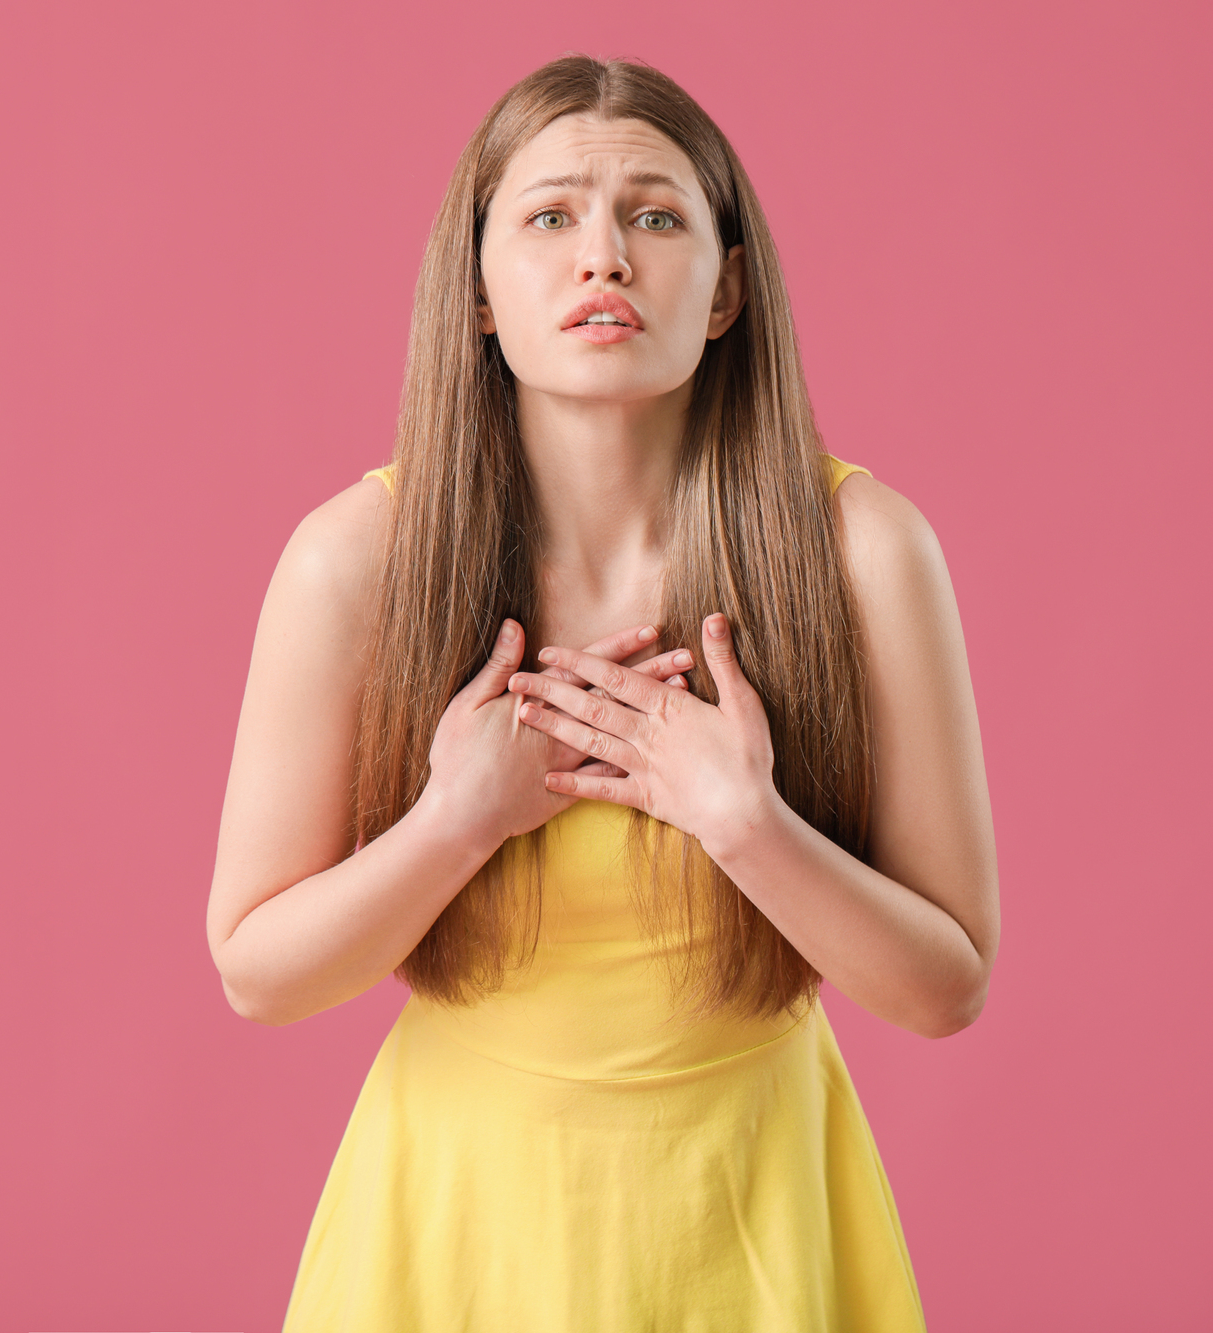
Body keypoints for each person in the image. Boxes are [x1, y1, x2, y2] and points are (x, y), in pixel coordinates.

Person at [206, 53, 998, 1333]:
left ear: (727, 287)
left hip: (755, 1221)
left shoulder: (868, 550)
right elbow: (257, 971)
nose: (604, 259)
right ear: (475, 291)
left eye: (655, 216)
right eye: (550, 217)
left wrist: (746, 822)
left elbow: (944, 986)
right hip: (454, 1235)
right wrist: (455, 821)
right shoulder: (350, 561)